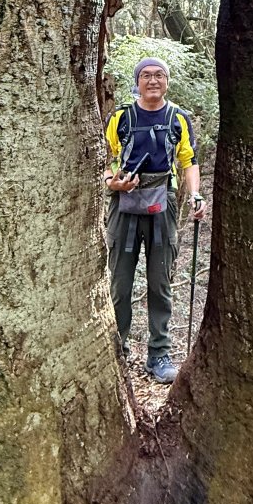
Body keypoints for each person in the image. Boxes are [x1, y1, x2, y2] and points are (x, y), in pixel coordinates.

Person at [104, 57, 206, 383]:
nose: (152, 80)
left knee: (160, 283)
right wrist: (112, 182)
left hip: (162, 205)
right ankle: (117, 351)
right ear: (138, 81)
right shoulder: (121, 116)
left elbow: (188, 160)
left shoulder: (178, 118)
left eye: (159, 75)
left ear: (167, 81)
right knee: (120, 282)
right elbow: (105, 158)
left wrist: (196, 195)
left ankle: (158, 355)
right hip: (124, 204)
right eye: (146, 75)